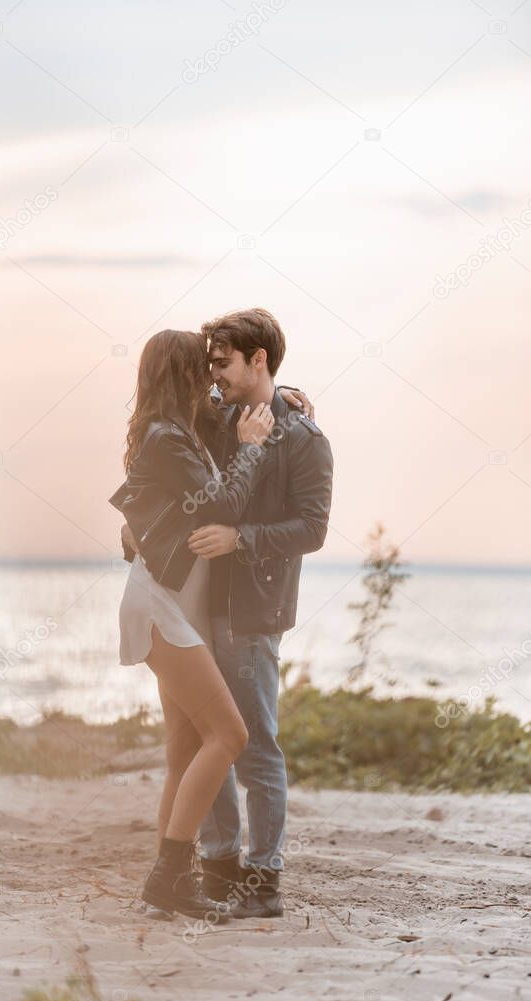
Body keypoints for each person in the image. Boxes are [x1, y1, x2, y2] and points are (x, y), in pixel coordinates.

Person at [108, 328, 275, 920]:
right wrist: (252, 447)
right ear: (180, 373)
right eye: (201, 368)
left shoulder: (179, 429)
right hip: (161, 607)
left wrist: (289, 396)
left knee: (183, 753)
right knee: (229, 737)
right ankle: (169, 878)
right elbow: (220, 507)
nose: (211, 377)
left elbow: (247, 395)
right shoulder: (164, 439)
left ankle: (167, 887)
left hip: (178, 606)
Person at [188, 308, 334, 919]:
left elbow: (313, 529)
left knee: (256, 747)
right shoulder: (213, 420)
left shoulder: (305, 438)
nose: (214, 375)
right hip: (194, 604)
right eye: (210, 364)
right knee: (211, 741)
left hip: (252, 611)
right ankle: (218, 868)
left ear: (260, 360)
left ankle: (264, 883)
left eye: (223, 363)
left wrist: (241, 539)